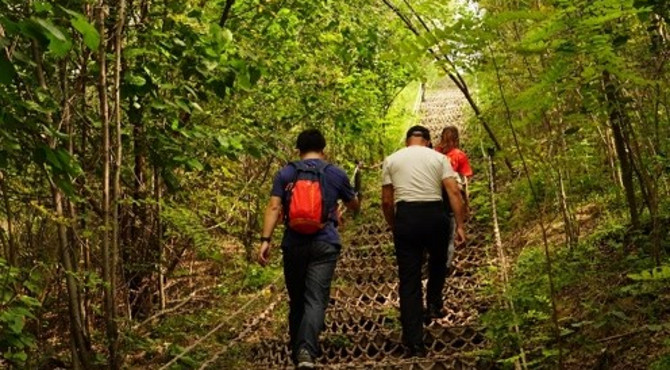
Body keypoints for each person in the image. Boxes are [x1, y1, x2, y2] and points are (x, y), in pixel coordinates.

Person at [258, 129, 360, 369]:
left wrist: (265, 240)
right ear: (324, 149)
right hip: (325, 243)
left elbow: (274, 208)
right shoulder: (335, 173)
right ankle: (306, 352)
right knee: (315, 298)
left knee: (297, 299)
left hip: (293, 244)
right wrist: (351, 202)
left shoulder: (286, 173)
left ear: (298, 149)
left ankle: (297, 348)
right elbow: (353, 204)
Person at [381, 125, 466, 357]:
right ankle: (434, 304)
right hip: (434, 214)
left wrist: (394, 224)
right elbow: (453, 192)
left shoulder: (391, 160)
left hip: (406, 216)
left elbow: (387, 201)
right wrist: (460, 225)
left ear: (407, 141)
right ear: (428, 141)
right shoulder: (439, 158)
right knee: (438, 262)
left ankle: (414, 341)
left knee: (409, 278)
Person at [435, 126, 473, 267]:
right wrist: (465, 204)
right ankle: (445, 265)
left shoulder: (434, 153)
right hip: (452, 195)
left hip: (435, 195)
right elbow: (465, 179)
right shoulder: (459, 155)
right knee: (450, 232)